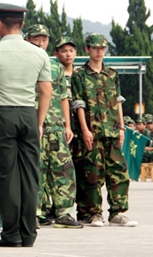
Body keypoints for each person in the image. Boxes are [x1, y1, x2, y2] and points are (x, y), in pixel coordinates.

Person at [0, 4, 52, 247]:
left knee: (8, 176)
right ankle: (29, 234)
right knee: (30, 176)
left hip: (2, 116)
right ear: (21, 26)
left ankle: (11, 234)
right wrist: (39, 123)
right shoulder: (39, 53)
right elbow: (45, 91)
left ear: (0, 24)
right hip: (29, 115)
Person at [71, 33, 136, 227]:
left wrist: (122, 127)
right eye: (95, 47)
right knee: (92, 173)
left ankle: (118, 212)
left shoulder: (112, 74)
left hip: (113, 130)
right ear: (87, 50)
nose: (99, 51)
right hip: (92, 131)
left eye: (102, 48)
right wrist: (84, 129)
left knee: (119, 172)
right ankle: (92, 213)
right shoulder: (79, 75)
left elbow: (118, 101)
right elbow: (78, 103)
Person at [25, 26, 82, 229]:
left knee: (64, 169)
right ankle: (36, 212)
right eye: (35, 39)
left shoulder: (56, 67)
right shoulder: (23, 64)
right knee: (35, 169)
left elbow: (64, 97)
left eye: (43, 39)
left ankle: (64, 212)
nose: (40, 43)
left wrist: (68, 125)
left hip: (56, 125)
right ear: (27, 39)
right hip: (33, 124)